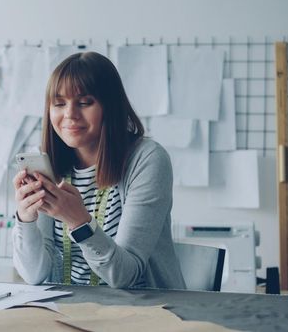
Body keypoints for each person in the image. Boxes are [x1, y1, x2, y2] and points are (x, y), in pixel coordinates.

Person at [12, 52, 186, 289]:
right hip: (64, 310)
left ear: (110, 106)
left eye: (84, 103)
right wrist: (26, 219)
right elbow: (34, 275)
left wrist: (78, 221)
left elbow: (124, 275)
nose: (70, 114)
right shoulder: (46, 161)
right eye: (59, 103)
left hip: (140, 312)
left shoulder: (147, 159)